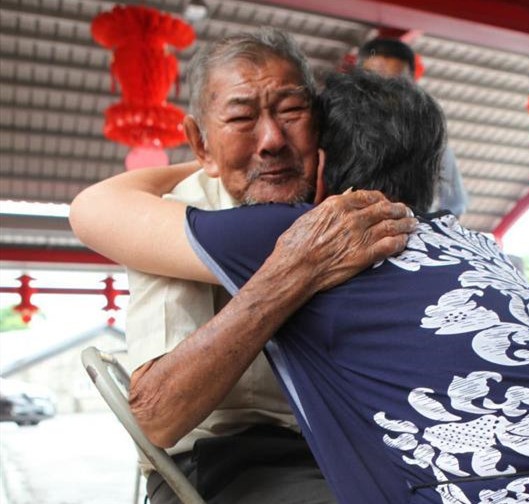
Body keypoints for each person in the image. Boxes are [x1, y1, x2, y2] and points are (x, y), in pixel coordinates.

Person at [75, 69, 529, 503]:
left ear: (322, 167)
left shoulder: (302, 232)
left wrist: (214, 158)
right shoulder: (483, 247)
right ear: (434, 169)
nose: (272, 143)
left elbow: (96, 208)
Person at [71, 29, 417, 504]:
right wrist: (293, 271)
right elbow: (160, 416)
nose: (273, 139)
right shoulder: (175, 217)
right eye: (240, 118)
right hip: (231, 458)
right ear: (200, 143)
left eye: (292, 112)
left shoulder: (352, 197)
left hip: (355, 445)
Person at [358, 37, 469, 217]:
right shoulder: (333, 133)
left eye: (395, 85)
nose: (383, 94)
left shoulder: (433, 145)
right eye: (373, 83)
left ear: (412, 87)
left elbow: (454, 206)